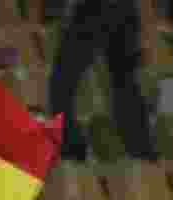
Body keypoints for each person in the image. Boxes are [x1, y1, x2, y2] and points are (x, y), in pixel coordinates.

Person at [48, 0, 156, 162]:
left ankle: (70, 147)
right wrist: (145, 28)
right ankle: (140, 147)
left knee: (62, 82)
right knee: (124, 83)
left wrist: (68, 11)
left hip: (95, 9)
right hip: (125, 11)